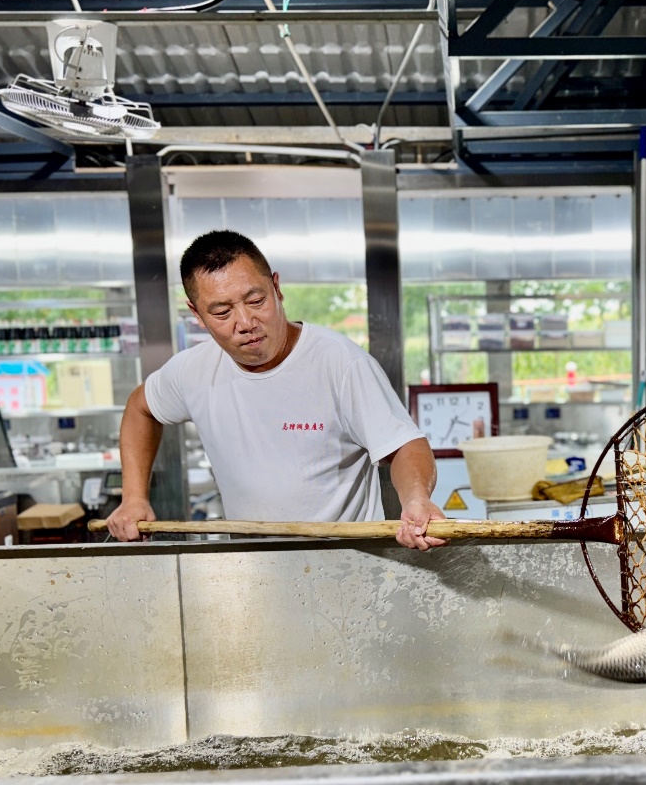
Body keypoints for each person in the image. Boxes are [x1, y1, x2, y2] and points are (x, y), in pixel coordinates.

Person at [106, 229, 446, 551]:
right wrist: (134, 496)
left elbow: (404, 445)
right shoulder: (192, 370)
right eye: (222, 312)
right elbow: (141, 407)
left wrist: (416, 497)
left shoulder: (340, 364)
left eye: (256, 300)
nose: (246, 323)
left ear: (276, 287)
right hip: (253, 574)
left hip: (347, 568)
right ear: (197, 314)